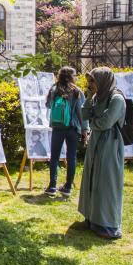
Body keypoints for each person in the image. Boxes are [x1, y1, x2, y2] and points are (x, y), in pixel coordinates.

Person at [78, 67, 125, 239]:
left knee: (106, 181)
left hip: (110, 143)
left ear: (103, 81)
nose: (90, 84)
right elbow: (84, 115)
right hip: (96, 142)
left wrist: (93, 122)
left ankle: (107, 224)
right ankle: (92, 217)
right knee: (92, 178)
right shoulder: (98, 97)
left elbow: (106, 122)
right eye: (89, 81)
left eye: (93, 81)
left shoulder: (117, 98)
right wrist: (89, 98)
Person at [43, 66, 87, 196]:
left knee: (55, 157)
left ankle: (52, 186)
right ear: (72, 77)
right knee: (71, 157)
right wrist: (85, 129)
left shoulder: (54, 89)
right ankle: (67, 187)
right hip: (73, 128)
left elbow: (48, 105)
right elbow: (81, 112)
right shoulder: (77, 91)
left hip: (58, 127)